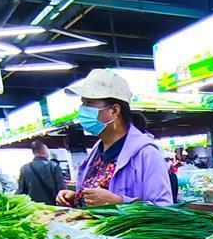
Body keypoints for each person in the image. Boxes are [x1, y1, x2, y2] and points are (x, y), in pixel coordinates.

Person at [55, 69, 172, 207]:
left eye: (89, 103)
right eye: (82, 103)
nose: (82, 109)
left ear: (114, 111)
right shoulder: (96, 154)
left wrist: (119, 201)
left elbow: (164, 208)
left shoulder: (146, 154)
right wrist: (77, 198)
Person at [17, 140, 63, 205]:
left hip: (33, 207)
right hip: (53, 206)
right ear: (43, 152)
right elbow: (62, 190)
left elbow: (21, 192)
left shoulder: (24, 168)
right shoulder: (53, 166)